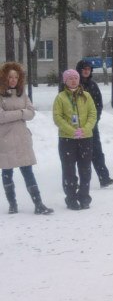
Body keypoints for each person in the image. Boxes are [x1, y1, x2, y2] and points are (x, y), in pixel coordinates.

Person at [0, 62, 53, 215]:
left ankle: (38, 204)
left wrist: (18, 113)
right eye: (10, 77)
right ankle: (12, 204)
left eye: (16, 77)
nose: (13, 80)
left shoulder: (22, 93)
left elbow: (31, 113)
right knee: (7, 172)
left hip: (22, 139)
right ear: (4, 78)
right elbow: (1, 117)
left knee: (28, 171)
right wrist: (21, 113)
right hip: (5, 139)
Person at [53, 68, 97, 210]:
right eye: (70, 78)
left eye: (76, 78)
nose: (73, 80)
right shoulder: (60, 97)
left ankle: (84, 196)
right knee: (69, 170)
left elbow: (92, 114)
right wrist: (72, 131)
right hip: (67, 139)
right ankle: (71, 198)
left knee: (85, 169)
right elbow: (57, 117)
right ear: (65, 81)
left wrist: (85, 129)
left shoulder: (86, 96)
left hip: (85, 138)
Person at [76, 59, 113, 187]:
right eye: (84, 69)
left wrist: (94, 120)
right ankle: (74, 182)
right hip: (76, 127)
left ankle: (104, 178)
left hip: (92, 126)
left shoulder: (93, 85)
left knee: (97, 152)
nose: (86, 71)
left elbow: (99, 105)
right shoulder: (73, 85)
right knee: (76, 155)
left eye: (89, 69)